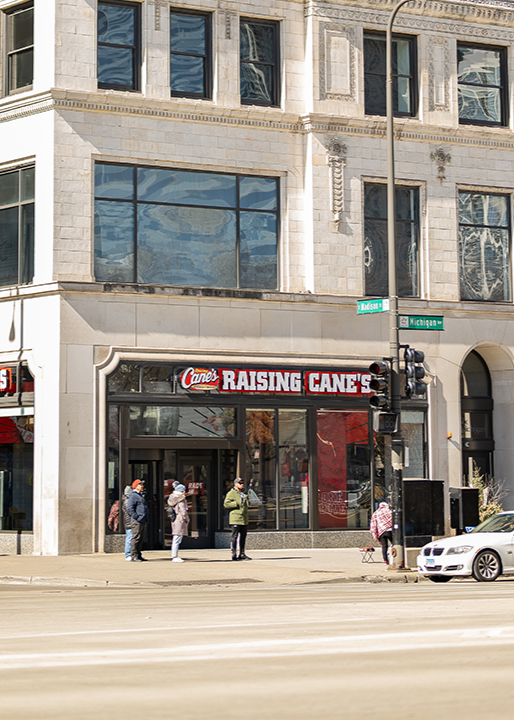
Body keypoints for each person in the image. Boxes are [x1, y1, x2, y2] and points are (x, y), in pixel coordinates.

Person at [224, 478, 251, 561]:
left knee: (243, 536)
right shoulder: (231, 493)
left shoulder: (244, 492)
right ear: (235, 484)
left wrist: (248, 502)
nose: (241, 484)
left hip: (244, 518)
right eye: (239, 483)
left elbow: (247, 503)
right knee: (234, 536)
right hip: (235, 518)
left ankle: (242, 553)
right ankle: (234, 553)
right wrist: (236, 503)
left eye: (242, 483)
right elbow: (226, 504)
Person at [127, 479, 149, 562]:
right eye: (140, 485)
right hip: (137, 521)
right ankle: (134, 555)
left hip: (143, 520)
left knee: (141, 538)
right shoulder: (133, 495)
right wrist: (137, 517)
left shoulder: (141, 495)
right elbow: (130, 508)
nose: (142, 486)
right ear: (136, 487)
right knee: (136, 538)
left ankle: (139, 555)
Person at [168, 481, 189, 563]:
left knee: (176, 537)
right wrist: (187, 518)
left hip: (174, 519)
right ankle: (175, 556)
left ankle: (174, 555)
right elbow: (183, 510)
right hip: (180, 519)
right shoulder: (180, 498)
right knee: (177, 538)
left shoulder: (172, 497)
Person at [370, 500, 393, 565]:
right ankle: (395, 557)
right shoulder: (389, 511)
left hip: (381, 532)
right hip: (390, 530)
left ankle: (385, 560)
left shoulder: (376, 513)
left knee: (384, 546)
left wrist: (374, 533)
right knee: (395, 544)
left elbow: (373, 523)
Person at [121, 485, 133, 561]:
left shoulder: (127, 500)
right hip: (129, 522)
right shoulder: (127, 500)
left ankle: (130, 553)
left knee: (131, 538)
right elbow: (129, 510)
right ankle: (128, 554)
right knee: (129, 538)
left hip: (129, 521)